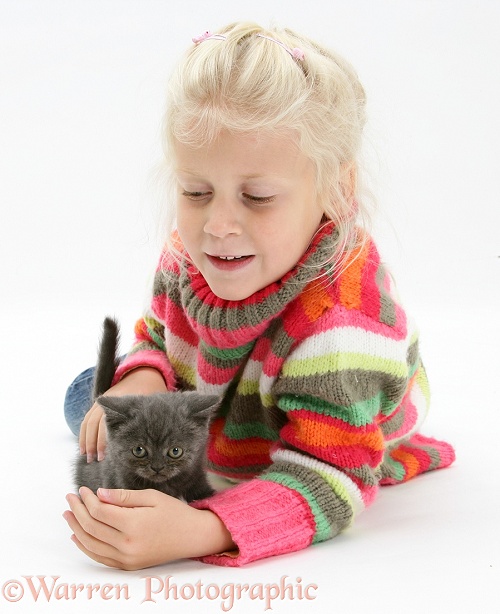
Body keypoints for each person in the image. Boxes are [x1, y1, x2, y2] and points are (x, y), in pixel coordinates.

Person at [63, 21, 455, 570]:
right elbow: (159, 330)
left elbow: (331, 475)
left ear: (336, 192)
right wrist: (143, 375)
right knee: (94, 401)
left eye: (259, 196)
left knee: (92, 403)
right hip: (218, 405)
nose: (219, 225)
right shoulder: (187, 254)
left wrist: (202, 529)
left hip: (334, 411)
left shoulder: (339, 331)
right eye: (196, 192)